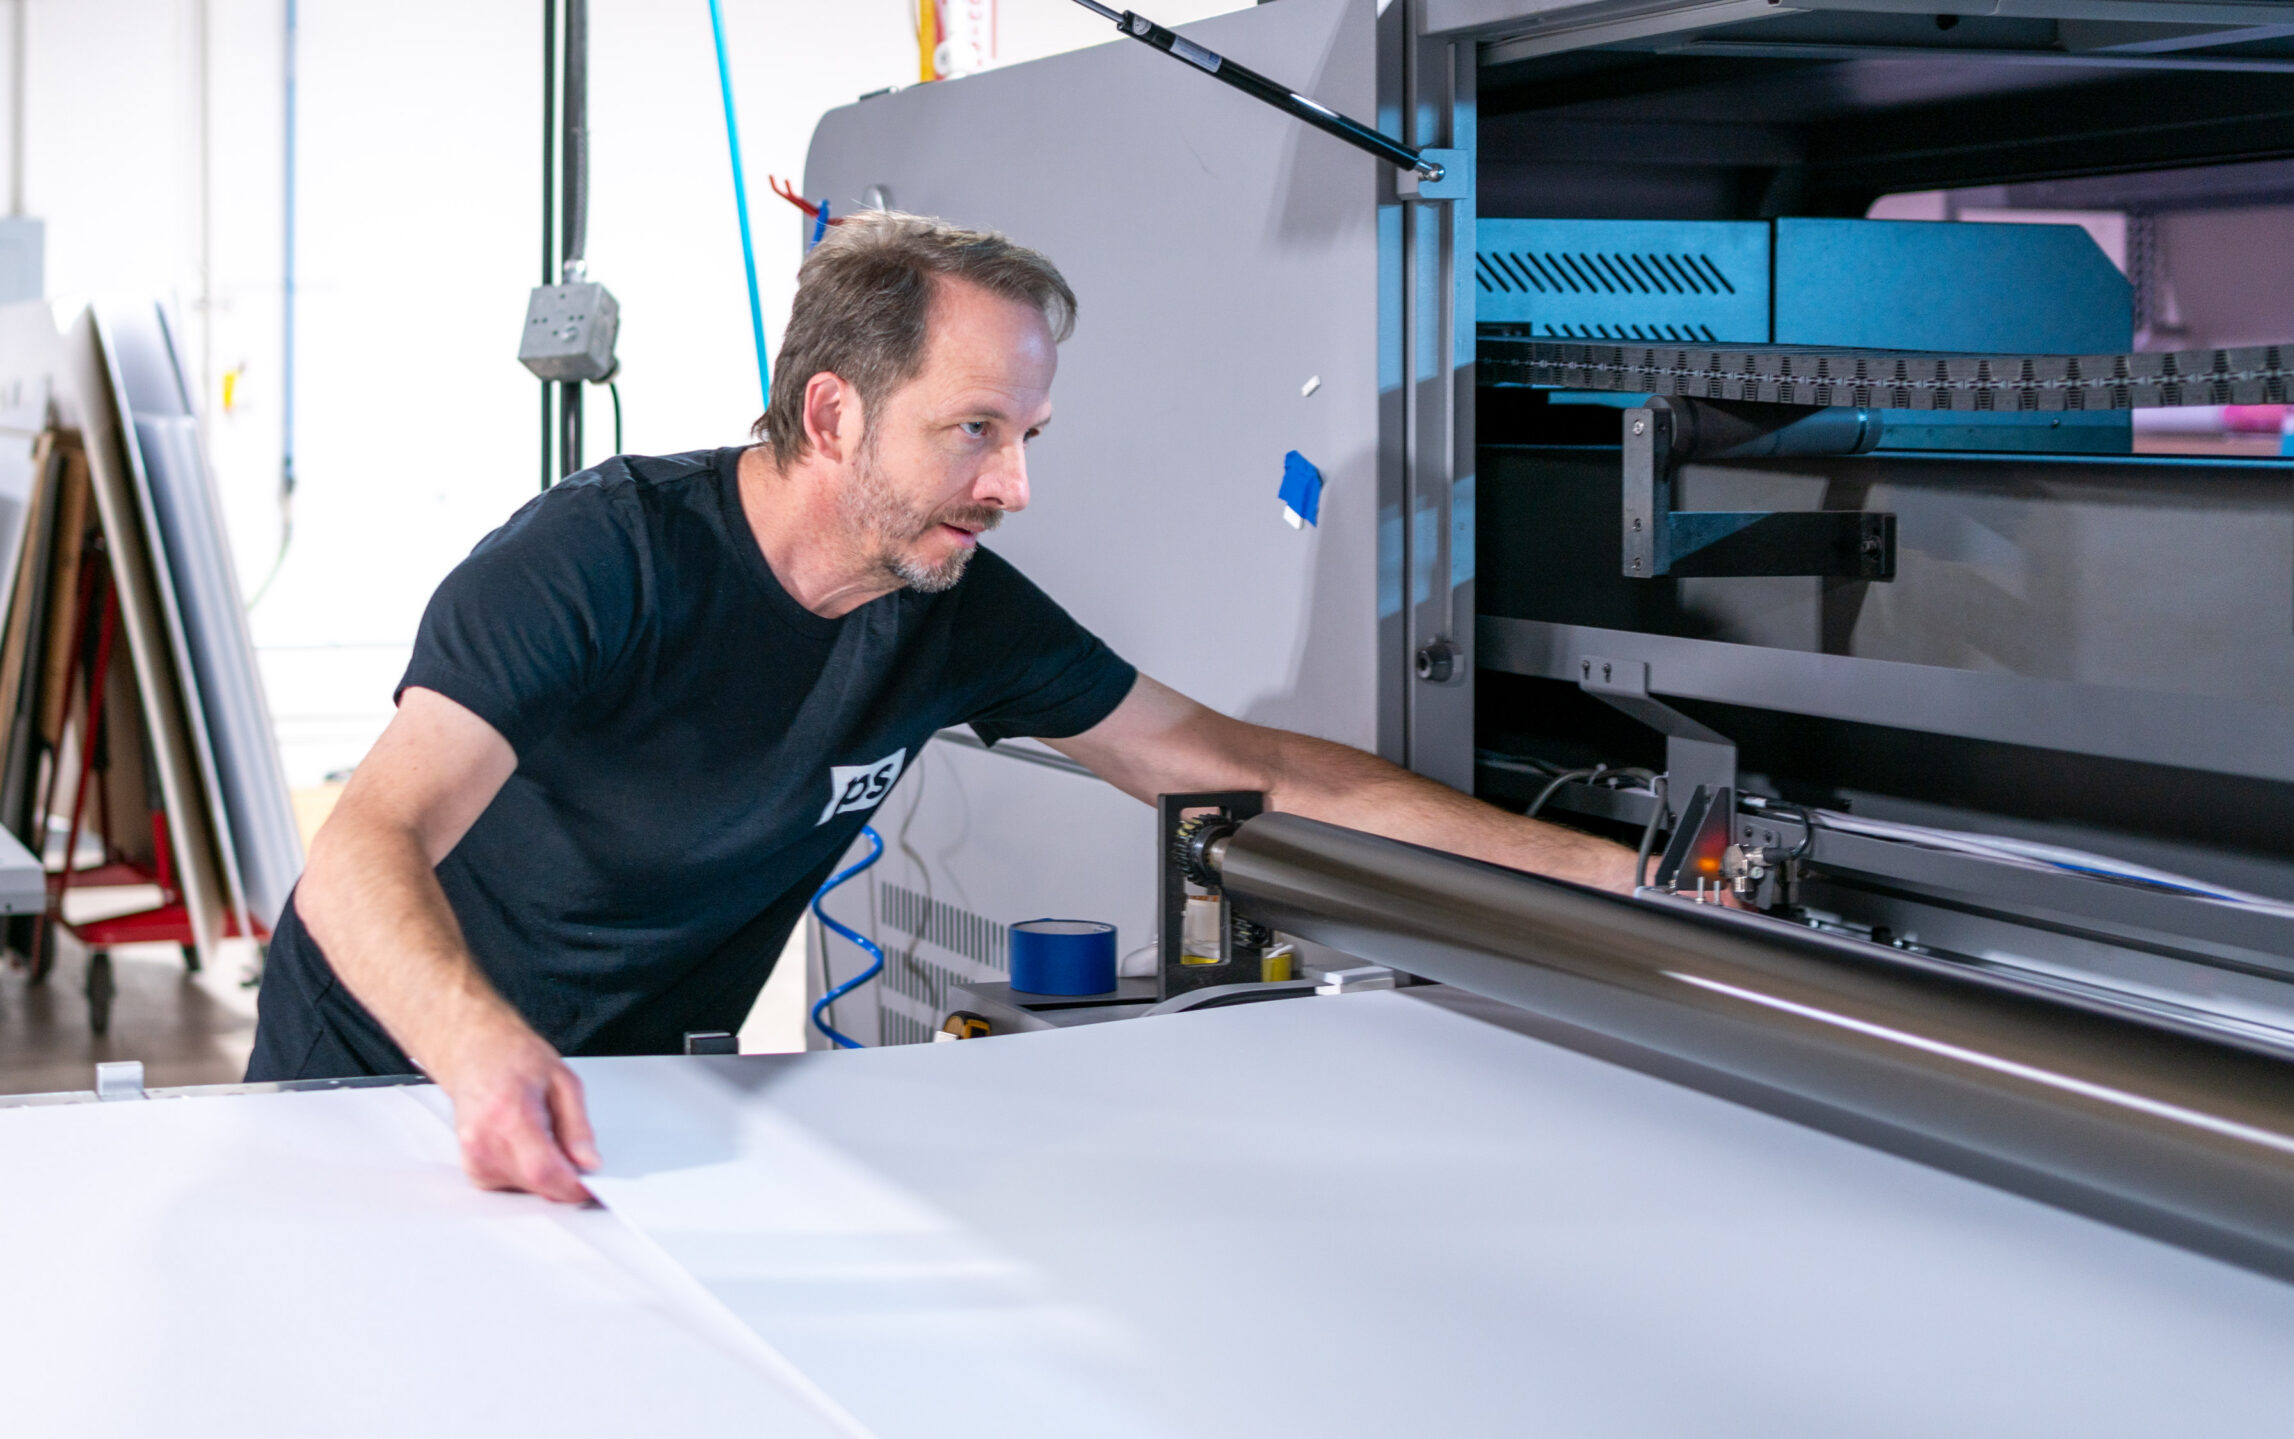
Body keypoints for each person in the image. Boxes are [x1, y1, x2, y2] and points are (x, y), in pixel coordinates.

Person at [247, 211, 1634, 1203]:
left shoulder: (953, 608)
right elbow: (364, 847)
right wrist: (478, 1050)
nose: (1014, 487)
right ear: (833, 415)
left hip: (630, 1104)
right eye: (976, 430)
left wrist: (1627, 883)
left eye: (1026, 438)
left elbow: (1245, 768)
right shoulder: (601, 562)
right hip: (384, 1076)